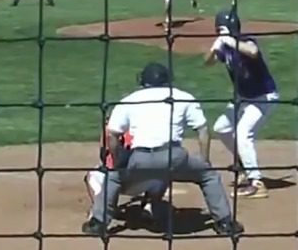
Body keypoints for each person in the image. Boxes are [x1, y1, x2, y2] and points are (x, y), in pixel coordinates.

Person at [82, 62, 243, 238]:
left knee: (113, 178)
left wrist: (118, 160)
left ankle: (98, 223)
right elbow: (203, 130)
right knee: (208, 175)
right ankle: (225, 223)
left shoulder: (130, 100)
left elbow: (112, 134)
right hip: (175, 157)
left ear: (143, 81)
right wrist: (204, 160)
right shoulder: (183, 97)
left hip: (140, 158)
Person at [203, 8, 278, 200]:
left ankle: (257, 183)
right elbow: (207, 63)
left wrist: (230, 41)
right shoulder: (224, 46)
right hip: (243, 98)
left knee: (244, 133)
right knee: (221, 128)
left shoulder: (247, 41)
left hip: (263, 97)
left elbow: (252, 52)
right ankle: (244, 166)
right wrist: (214, 48)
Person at [84, 123, 168, 224]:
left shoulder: (111, 133)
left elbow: (103, 157)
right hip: (140, 183)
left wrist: (106, 134)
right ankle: (149, 207)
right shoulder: (147, 133)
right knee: (163, 171)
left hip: (111, 182)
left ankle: (101, 208)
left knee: (92, 175)